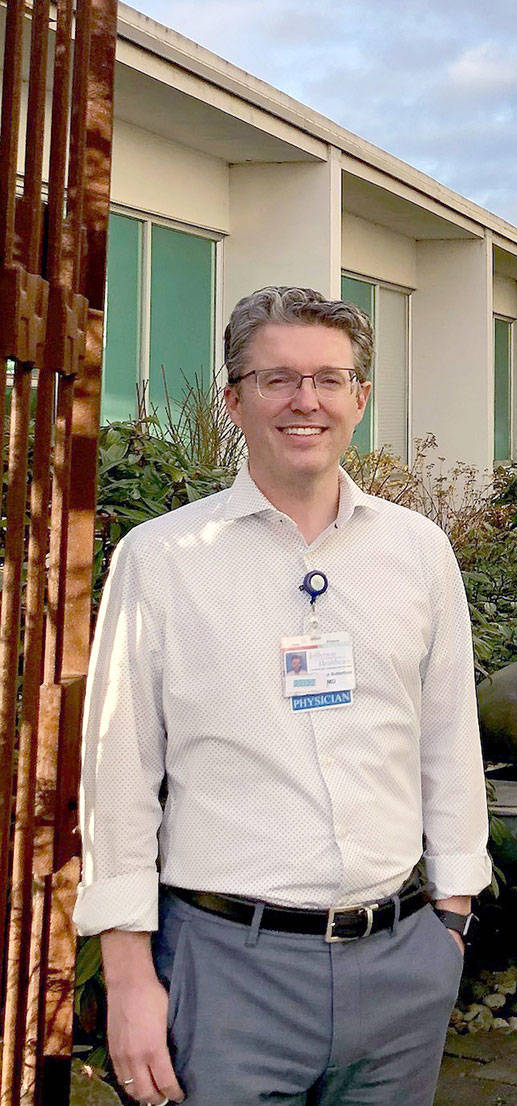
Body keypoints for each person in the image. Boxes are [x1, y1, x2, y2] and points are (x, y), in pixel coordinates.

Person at [75, 287, 490, 1106]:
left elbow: (448, 738)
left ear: (360, 400)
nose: (307, 401)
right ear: (234, 399)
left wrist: (452, 917)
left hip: (402, 961)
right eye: (278, 379)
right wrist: (127, 979)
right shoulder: (161, 561)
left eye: (330, 380)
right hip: (228, 973)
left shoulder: (419, 553)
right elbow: (118, 777)